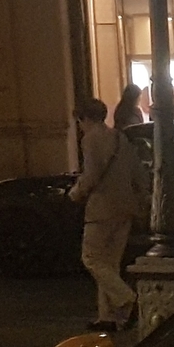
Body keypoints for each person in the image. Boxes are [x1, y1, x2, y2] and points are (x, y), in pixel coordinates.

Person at [70, 96, 145, 332]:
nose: (79, 126)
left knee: (91, 258)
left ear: (85, 118)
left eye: (80, 121)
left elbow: (91, 175)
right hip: (125, 207)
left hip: (101, 209)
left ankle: (128, 299)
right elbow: (138, 173)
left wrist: (75, 192)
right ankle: (109, 317)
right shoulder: (120, 137)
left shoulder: (91, 139)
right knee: (110, 263)